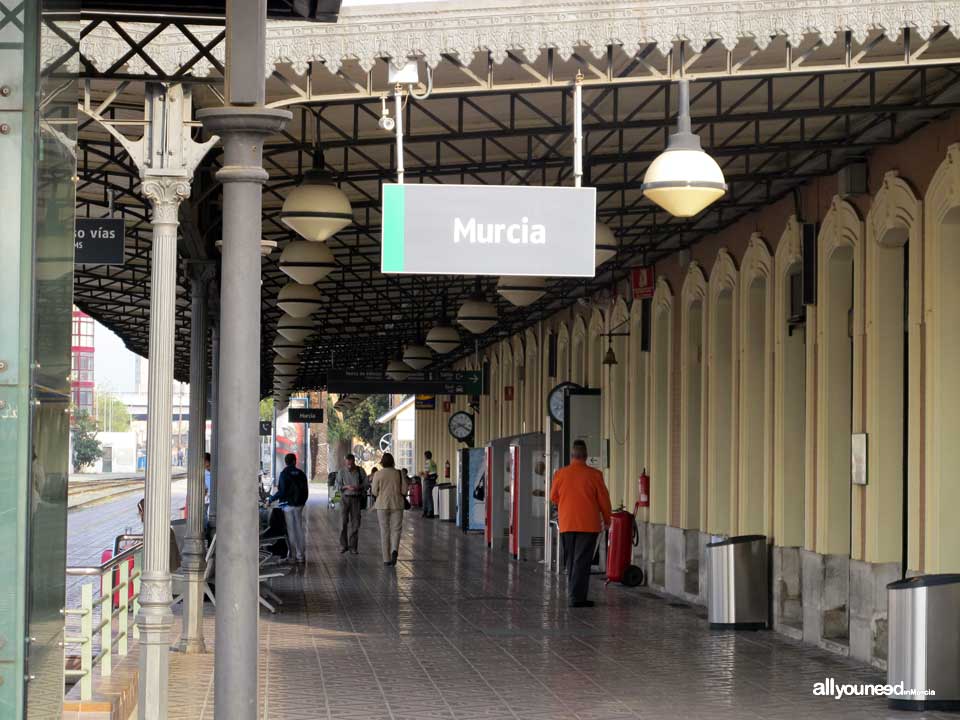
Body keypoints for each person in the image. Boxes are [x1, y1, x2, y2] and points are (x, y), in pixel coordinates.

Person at [549, 440, 611, 608]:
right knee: (582, 561)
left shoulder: (561, 474)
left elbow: (553, 496)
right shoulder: (595, 475)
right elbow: (604, 501)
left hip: (567, 522)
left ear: (572, 456)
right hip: (588, 525)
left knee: (571, 560)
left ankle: (574, 593)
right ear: (586, 456)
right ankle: (577, 597)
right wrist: (607, 520)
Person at [267, 453, 309, 564]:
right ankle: (301, 556)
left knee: (291, 530)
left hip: (287, 506)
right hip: (299, 505)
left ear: (286, 462)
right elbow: (306, 491)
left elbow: (282, 491)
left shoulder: (284, 474)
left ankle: (292, 556)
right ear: (295, 461)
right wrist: (302, 503)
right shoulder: (301, 474)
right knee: (299, 529)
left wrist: (271, 499)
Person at [371, 453, 408, 566]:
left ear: (382, 462)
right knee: (396, 529)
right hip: (397, 504)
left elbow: (374, 491)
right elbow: (404, 490)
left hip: (382, 505)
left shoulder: (377, 474)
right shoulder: (399, 473)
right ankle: (394, 550)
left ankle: (386, 559)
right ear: (393, 461)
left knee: (384, 530)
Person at [334, 453, 368, 554]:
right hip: (344, 498)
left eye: (351, 464)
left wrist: (359, 487)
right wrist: (346, 487)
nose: (349, 466)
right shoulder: (341, 471)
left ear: (354, 462)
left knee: (356, 523)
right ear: (345, 462)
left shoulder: (360, 471)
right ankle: (343, 545)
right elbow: (337, 485)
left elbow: (366, 484)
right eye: (347, 464)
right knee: (343, 523)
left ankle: (353, 547)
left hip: (356, 499)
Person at [422, 450, 438, 518]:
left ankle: (429, 512)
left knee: (427, 497)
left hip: (428, 481)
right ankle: (427, 511)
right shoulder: (433, 462)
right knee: (429, 496)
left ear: (425, 456)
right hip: (433, 480)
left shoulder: (427, 462)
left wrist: (421, 474)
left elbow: (426, 474)